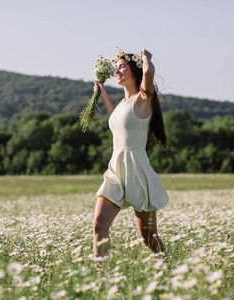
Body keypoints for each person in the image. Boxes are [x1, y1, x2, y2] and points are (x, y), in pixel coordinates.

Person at [93, 48, 168, 257]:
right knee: (99, 224)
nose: (117, 70)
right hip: (116, 169)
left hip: (136, 170)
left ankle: (167, 269)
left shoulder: (143, 100)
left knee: (148, 237)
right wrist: (104, 94)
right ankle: (102, 281)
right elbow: (116, 119)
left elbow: (148, 74)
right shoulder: (123, 104)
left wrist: (146, 58)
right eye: (115, 68)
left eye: (122, 67)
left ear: (134, 71)